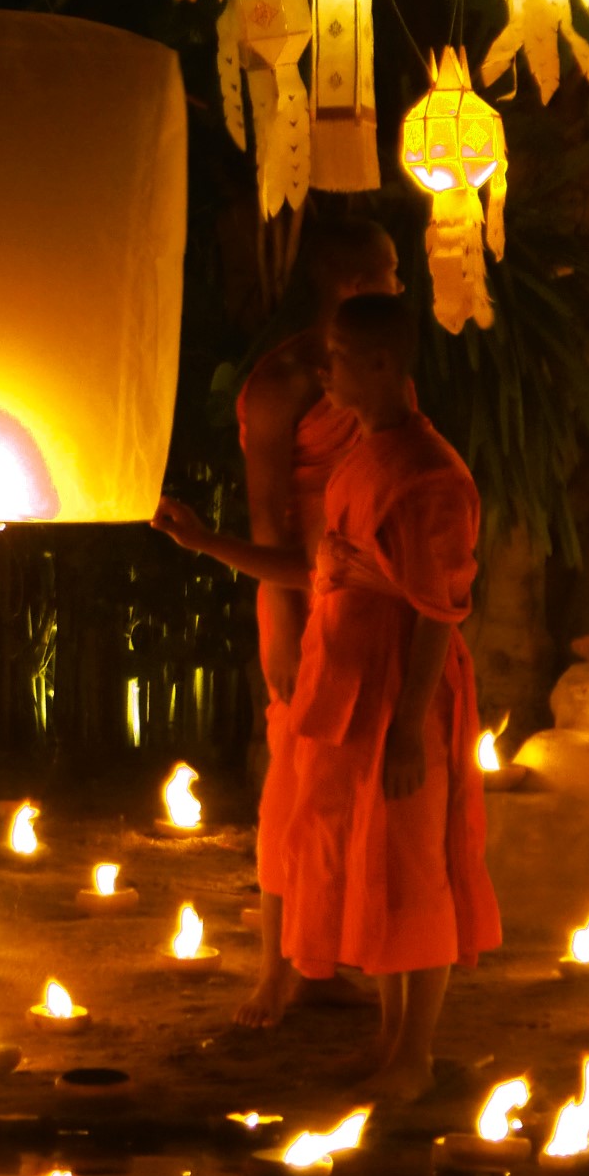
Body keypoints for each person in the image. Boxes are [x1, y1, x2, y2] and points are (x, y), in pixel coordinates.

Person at [155, 291, 498, 1100]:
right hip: (346, 680)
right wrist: (204, 542)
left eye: (338, 356)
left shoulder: (431, 476)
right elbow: (321, 573)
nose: (323, 369)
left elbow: (436, 613)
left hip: (399, 691)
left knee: (415, 863)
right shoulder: (362, 457)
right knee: (371, 857)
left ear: (381, 367)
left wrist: (411, 725)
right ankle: (386, 1041)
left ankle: (414, 1055)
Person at [228, 218, 402, 1026]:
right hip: (307, 594)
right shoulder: (286, 380)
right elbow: (267, 514)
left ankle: (328, 956)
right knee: (295, 785)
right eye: (383, 277)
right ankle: (276, 970)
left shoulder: (385, 373)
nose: (397, 289)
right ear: (346, 287)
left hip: (377, 595)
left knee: (358, 788)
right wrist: (279, 626)